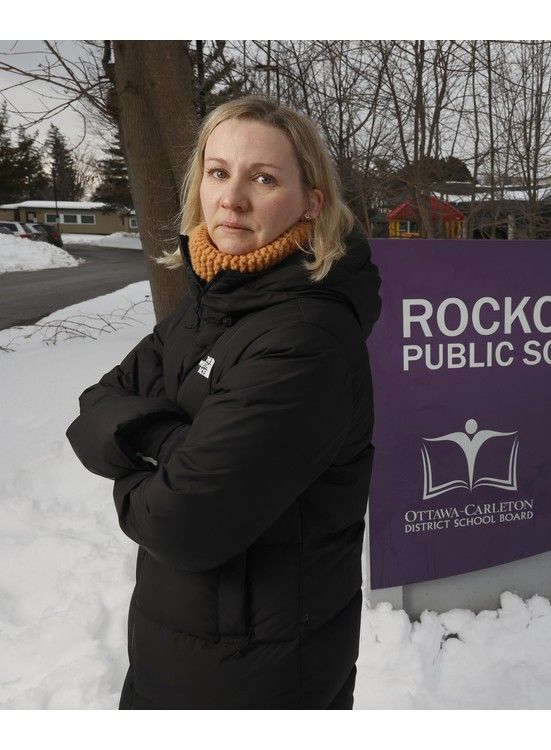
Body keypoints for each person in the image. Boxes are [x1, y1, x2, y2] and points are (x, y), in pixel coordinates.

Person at [66, 96, 381, 709]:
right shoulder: (210, 302)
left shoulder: (306, 340)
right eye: (219, 172)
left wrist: (138, 453)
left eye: (263, 178)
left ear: (311, 202)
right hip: (174, 651)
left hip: (256, 676)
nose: (232, 198)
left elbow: (178, 522)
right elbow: (93, 408)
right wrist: (167, 446)